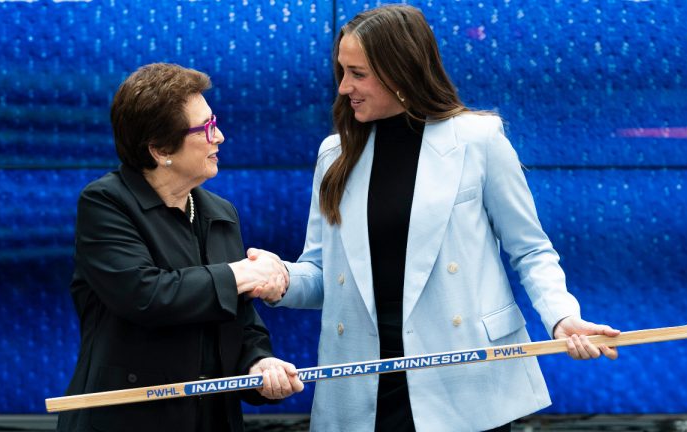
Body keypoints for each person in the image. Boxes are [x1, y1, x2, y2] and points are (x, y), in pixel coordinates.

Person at [253, 5, 619, 432]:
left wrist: (561, 317)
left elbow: (530, 249)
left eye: (358, 73)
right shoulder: (333, 155)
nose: (343, 88)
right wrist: (279, 280)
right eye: (342, 71)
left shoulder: (478, 140)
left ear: (399, 72)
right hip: (361, 384)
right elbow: (321, 276)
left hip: (465, 377)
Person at [57, 63, 301, 432]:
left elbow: (240, 320)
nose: (219, 136)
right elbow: (146, 294)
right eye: (205, 128)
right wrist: (239, 273)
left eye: (214, 121)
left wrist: (258, 363)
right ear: (159, 149)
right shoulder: (106, 203)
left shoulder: (220, 213)